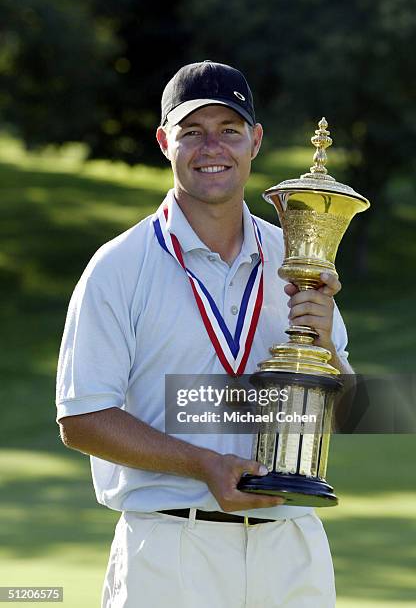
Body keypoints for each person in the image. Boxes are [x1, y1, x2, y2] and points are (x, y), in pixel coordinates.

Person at [56, 60, 353, 608]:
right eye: (192, 132)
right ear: (164, 141)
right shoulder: (120, 265)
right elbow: (82, 419)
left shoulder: (299, 257)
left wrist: (328, 349)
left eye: (229, 131)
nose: (211, 147)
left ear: (255, 141)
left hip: (292, 549)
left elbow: (348, 412)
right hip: (171, 549)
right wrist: (205, 465)